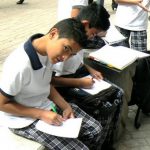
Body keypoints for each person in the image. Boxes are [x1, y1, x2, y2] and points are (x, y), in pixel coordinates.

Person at [0, 18, 102, 150]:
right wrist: (41, 114)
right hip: (23, 119)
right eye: (66, 48)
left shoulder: (48, 53)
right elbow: (1, 104)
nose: (65, 58)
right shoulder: (20, 64)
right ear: (53, 34)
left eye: (71, 54)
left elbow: (46, 84)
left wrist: (65, 106)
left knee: (95, 130)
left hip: (46, 106)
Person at [52, 2, 110, 89]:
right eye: (94, 34)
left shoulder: (81, 37)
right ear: (85, 24)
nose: (92, 38)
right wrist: (79, 82)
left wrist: (91, 70)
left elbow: (77, 59)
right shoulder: (67, 42)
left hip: (76, 74)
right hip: (63, 81)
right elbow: (49, 80)